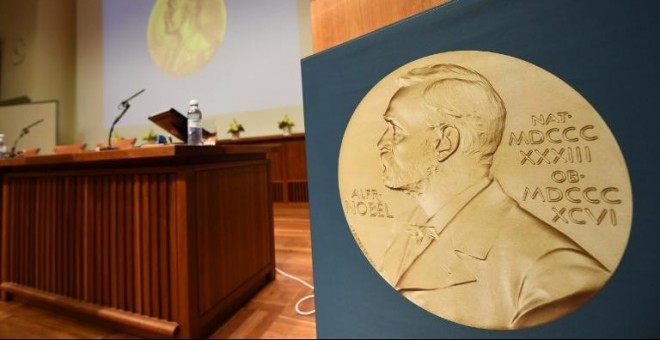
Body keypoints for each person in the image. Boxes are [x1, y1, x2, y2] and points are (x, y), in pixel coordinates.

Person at [376, 64, 610, 329]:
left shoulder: (553, 275)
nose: (381, 143)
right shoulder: (405, 236)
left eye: (395, 129)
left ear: (444, 142)